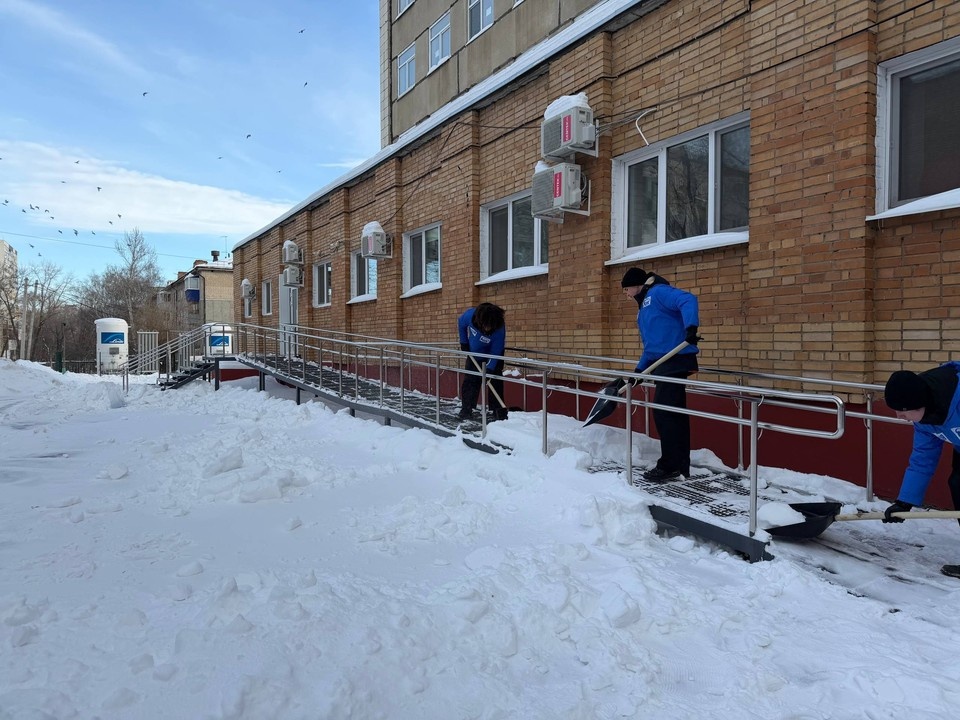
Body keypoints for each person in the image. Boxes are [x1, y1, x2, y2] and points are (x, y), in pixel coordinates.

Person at [620, 267, 700, 481]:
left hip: (675, 359)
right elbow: (651, 347)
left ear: (637, 285)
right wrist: (639, 371)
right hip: (662, 363)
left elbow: (688, 300)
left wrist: (690, 328)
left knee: (665, 413)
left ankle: (670, 466)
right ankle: (680, 465)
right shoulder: (643, 311)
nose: (626, 294)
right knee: (673, 414)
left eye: (627, 289)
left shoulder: (658, 292)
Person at [881, 364, 960, 578]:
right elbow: (922, 460)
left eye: (903, 411)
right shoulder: (924, 418)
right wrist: (904, 502)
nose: (899, 416)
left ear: (919, 403)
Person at [457, 303, 507, 422]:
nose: (488, 328)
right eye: (486, 325)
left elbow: (496, 352)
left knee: (494, 380)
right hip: (474, 354)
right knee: (470, 380)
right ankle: (466, 409)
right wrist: (463, 342)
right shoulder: (470, 316)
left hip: (492, 354)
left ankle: (497, 411)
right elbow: (460, 323)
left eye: (490, 326)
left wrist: (489, 369)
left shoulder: (499, 328)